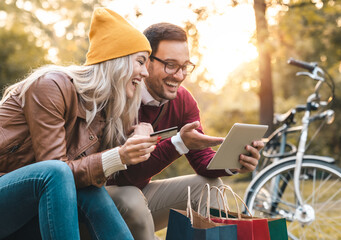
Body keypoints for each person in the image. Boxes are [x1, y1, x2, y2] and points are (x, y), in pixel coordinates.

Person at [0, 7, 157, 240]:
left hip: (28, 208)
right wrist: (118, 156)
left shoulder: (102, 110)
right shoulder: (51, 86)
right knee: (56, 172)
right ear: (116, 62)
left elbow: (85, 174)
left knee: (90, 190)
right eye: (140, 61)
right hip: (10, 199)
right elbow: (53, 169)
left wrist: (139, 135)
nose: (145, 72)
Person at [106, 22, 265, 240]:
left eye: (185, 66)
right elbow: (125, 176)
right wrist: (178, 144)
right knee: (131, 196)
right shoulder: (122, 95)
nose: (179, 76)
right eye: (170, 65)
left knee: (209, 187)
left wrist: (235, 162)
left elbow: (202, 161)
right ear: (146, 61)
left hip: (140, 195)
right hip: (101, 200)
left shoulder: (183, 100)